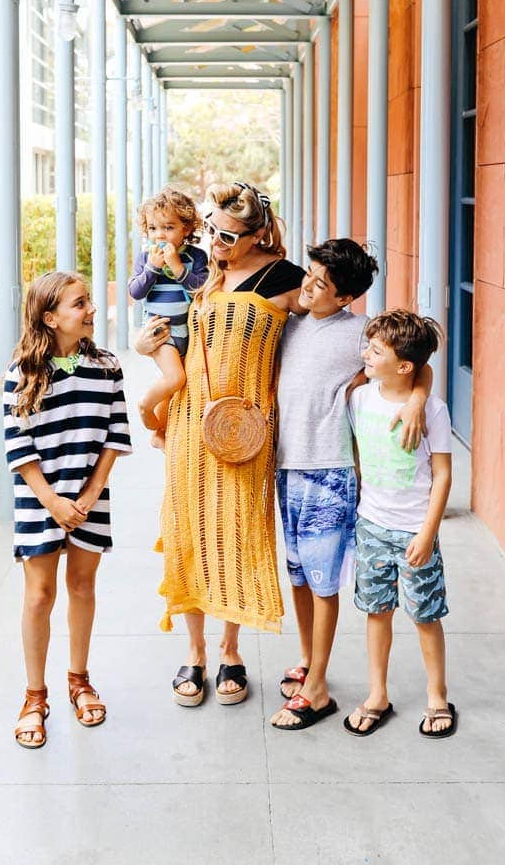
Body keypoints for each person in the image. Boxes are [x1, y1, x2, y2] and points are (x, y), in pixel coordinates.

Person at [136, 181, 305, 707]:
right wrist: (146, 352)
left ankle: (231, 650)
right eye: (210, 229)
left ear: (258, 235)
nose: (216, 241)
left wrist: (410, 392)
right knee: (188, 530)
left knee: (237, 533)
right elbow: (172, 334)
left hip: (247, 428)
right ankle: (195, 652)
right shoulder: (201, 272)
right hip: (191, 420)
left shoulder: (287, 278)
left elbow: (342, 336)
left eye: (229, 235)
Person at [271, 241, 431, 731]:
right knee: (298, 575)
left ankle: (317, 688)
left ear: (344, 298)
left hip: (329, 470)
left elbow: (416, 362)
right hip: (286, 467)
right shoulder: (290, 321)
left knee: (322, 582)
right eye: (310, 274)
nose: (309, 286)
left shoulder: (359, 333)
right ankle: (307, 659)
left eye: (321, 284)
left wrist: (417, 401)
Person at [3, 271, 132, 749]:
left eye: (88, 301)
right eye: (80, 304)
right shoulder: (21, 372)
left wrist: (91, 494)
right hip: (41, 498)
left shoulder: (107, 365)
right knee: (39, 595)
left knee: (82, 586)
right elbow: (16, 446)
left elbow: (116, 435)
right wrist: (52, 500)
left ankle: (79, 680)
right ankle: (34, 696)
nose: (90, 310)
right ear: (50, 317)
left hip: (89, 498)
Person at [344, 310, 456, 739]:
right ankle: (377, 694)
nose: (365, 355)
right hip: (370, 525)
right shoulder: (360, 398)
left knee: (425, 615)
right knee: (377, 612)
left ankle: (437, 695)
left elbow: (443, 474)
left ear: (405, 366)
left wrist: (428, 533)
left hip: (414, 530)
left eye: (375, 351)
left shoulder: (435, 410)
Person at [128, 186, 208, 447]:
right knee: (175, 378)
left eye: (168, 227)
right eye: (153, 228)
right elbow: (136, 291)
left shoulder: (196, 257)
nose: (159, 235)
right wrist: (154, 267)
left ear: (186, 228)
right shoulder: (146, 258)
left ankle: (160, 432)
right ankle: (145, 406)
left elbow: (200, 289)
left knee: (177, 383)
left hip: (187, 331)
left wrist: (176, 266)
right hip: (161, 331)